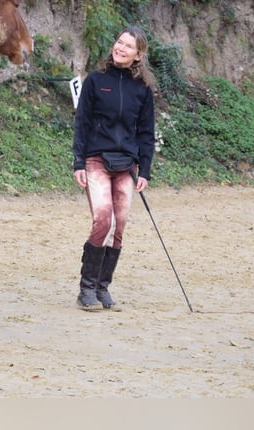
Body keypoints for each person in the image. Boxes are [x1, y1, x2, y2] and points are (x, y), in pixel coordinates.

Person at [72, 25, 157, 311]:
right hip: (96, 159)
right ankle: (86, 290)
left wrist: (144, 169)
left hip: (126, 165)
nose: (120, 48)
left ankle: (102, 287)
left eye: (128, 46)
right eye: (119, 42)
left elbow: (146, 131)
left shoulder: (143, 89)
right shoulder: (96, 81)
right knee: (103, 219)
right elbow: (82, 123)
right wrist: (78, 162)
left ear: (138, 55)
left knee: (119, 226)